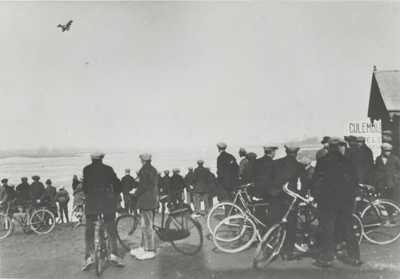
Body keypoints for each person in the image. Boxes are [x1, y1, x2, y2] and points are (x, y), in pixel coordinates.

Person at [310, 137, 362, 268]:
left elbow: (316, 182)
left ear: (329, 147)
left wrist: (316, 197)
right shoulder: (347, 162)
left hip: (327, 202)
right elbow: (354, 183)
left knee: (327, 229)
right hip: (345, 202)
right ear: (339, 147)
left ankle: (327, 259)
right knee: (348, 229)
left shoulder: (322, 162)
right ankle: (355, 258)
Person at [81, 151, 124, 271]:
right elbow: (117, 184)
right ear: (102, 158)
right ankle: (114, 254)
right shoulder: (108, 169)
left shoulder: (86, 169)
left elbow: (84, 187)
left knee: (89, 230)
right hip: (106, 202)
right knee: (110, 227)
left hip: (92, 203)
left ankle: (88, 258)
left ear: (92, 159)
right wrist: (115, 194)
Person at [269, 143, 303, 261]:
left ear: (286, 151)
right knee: (291, 223)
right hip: (290, 195)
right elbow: (304, 182)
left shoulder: (276, 163)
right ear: (296, 153)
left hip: (276, 195)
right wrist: (301, 195)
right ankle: (288, 252)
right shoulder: (298, 165)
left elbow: (270, 179)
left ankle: (271, 249)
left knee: (274, 222)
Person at [130, 153, 158, 261]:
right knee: (145, 224)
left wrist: (135, 194)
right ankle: (142, 247)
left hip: (145, 201)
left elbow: (142, 186)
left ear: (142, 161)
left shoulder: (143, 171)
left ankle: (150, 250)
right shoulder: (154, 170)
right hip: (152, 199)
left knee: (146, 226)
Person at [253, 146, 277, 228]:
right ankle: (270, 230)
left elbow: (253, 176)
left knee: (259, 211)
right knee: (272, 211)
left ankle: (259, 230)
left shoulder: (257, 162)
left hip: (258, 190)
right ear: (272, 152)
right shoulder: (274, 163)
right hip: (269, 191)